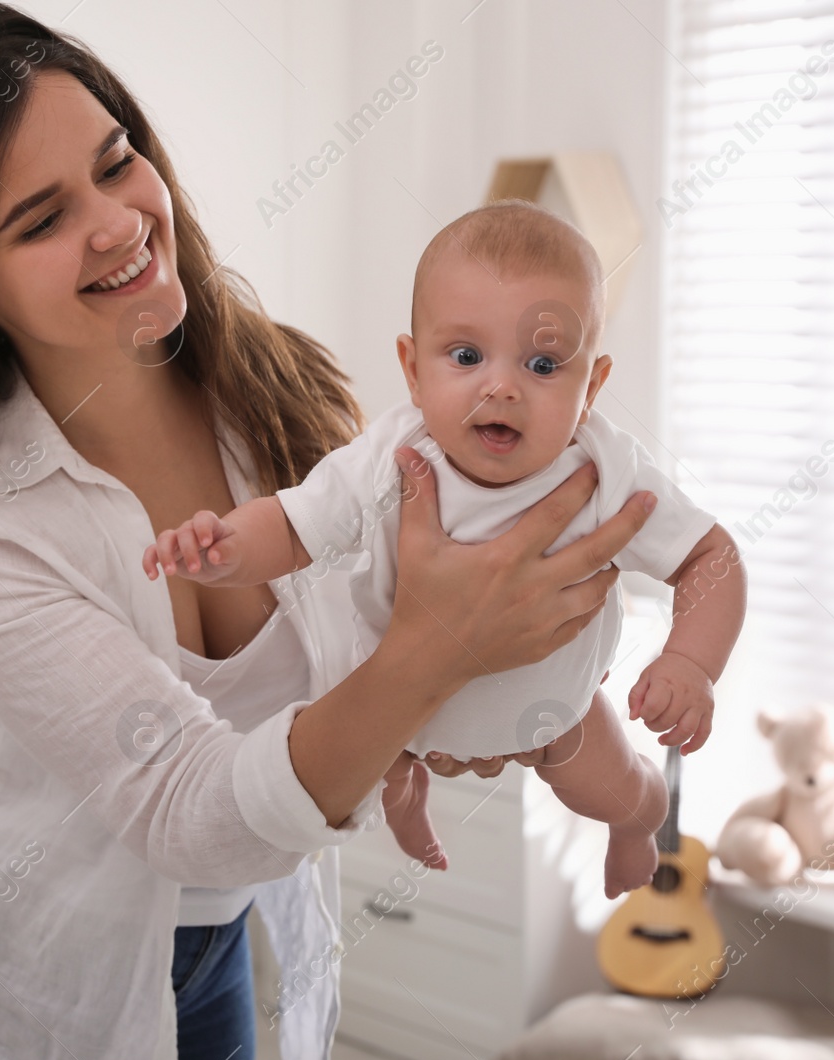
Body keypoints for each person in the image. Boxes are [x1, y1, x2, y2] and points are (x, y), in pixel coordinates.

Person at [0, 4, 658, 1060]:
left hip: (217, 927)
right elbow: (190, 805)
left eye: (116, 161)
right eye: (41, 219)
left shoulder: (282, 391)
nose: (120, 222)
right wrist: (436, 649)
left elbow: (375, 642)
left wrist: (509, 694)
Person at [144, 201, 748, 899]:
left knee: (610, 790)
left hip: (554, 715)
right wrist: (223, 547)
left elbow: (712, 557)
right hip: (396, 699)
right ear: (412, 367)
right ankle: (407, 806)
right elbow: (292, 524)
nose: (501, 385)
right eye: (466, 356)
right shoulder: (391, 457)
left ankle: (640, 822)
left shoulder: (608, 470)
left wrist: (692, 661)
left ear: (593, 388)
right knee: (375, 760)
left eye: (545, 363)